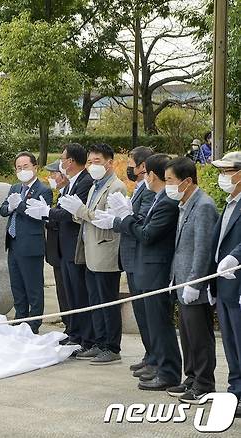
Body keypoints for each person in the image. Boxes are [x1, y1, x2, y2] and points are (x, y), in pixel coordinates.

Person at [96, 154, 182, 390]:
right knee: (154, 324)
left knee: (160, 325)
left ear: (151, 174)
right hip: (147, 268)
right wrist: (125, 219)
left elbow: (147, 233)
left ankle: (168, 372)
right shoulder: (159, 197)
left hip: (156, 270)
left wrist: (124, 218)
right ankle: (160, 367)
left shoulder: (165, 200)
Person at [61, 144, 127, 365]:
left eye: (97, 161)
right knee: (95, 300)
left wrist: (80, 211)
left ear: (110, 162)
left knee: (107, 301)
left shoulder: (116, 187)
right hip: (90, 251)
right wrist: (75, 212)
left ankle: (112, 346)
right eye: (89, 162)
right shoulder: (94, 187)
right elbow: (85, 216)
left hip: (105, 251)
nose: (92, 166)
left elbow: (106, 219)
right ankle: (99, 343)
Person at [26, 143, 95, 354]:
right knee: (70, 294)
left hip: (76, 247)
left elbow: (69, 214)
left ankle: (85, 337)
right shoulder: (74, 182)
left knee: (79, 294)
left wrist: (47, 211)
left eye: (63, 159)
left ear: (71, 162)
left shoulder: (85, 181)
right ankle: (74, 333)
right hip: (64, 248)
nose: (61, 164)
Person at [163, 157, 218, 404]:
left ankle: (204, 384)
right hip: (182, 280)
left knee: (199, 337)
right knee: (186, 335)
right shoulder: (186, 203)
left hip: (194, 284)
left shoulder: (204, 205)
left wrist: (195, 283)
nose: (168, 185)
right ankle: (191, 377)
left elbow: (203, 249)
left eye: (170, 180)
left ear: (186, 181)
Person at [0, 152, 53, 334]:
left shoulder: (43, 190)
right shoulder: (14, 188)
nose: (22, 171)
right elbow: (3, 210)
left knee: (33, 286)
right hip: (13, 242)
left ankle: (34, 321)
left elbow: (39, 216)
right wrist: (11, 206)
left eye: (26, 167)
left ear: (35, 167)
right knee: (17, 283)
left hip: (31, 245)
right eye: (19, 168)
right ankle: (20, 316)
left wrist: (20, 205)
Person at [116, 146, 156, 376]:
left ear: (143, 166)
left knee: (147, 313)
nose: (129, 167)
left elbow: (139, 222)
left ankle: (155, 358)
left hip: (140, 257)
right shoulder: (140, 187)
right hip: (131, 257)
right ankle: (149, 355)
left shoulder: (149, 191)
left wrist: (123, 219)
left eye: (131, 162)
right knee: (141, 313)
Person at [209, 151, 241, 418]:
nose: (223, 177)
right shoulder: (230, 203)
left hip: (238, 285)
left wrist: (235, 257)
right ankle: (235, 391)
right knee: (230, 343)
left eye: (227, 172)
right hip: (224, 286)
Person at [44, 160, 71, 340]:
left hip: (66, 251)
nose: (52, 177)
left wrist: (48, 215)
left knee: (69, 294)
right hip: (57, 252)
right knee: (63, 294)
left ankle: (72, 328)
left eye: (54, 174)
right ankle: (69, 327)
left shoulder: (68, 193)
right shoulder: (61, 193)